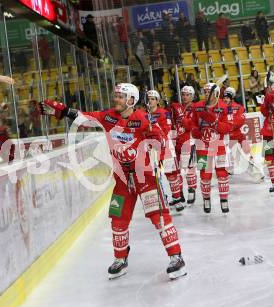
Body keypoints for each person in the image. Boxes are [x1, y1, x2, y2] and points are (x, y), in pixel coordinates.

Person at [40, 83, 187, 280]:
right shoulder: (108, 117)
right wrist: (63, 110)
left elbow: (160, 139)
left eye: (120, 96)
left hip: (145, 178)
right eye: (115, 95)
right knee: (118, 219)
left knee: (159, 218)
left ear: (131, 100)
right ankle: (120, 259)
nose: (115, 99)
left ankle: (177, 258)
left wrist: (157, 149)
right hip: (122, 180)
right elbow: (85, 118)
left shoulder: (143, 119)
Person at [182, 83, 232, 213]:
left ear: (216, 94)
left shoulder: (224, 107)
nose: (206, 95)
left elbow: (228, 127)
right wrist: (195, 131)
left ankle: (224, 199)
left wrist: (214, 122)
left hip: (219, 144)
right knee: (205, 174)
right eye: (205, 92)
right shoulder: (197, 106)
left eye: (209, 92)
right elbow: (192, 124)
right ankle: (206, 199)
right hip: (202, 144)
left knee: (222, 173)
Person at [167, 86, 198, 208]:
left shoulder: (196, 108)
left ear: (192, 96)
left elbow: (191, 125)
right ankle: (179, 194)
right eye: (183, 94)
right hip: (176, 142)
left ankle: (192, 190)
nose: (185, 96)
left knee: (190, 168)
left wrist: (182, 118)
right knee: (177, 169)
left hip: (189, 142)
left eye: (187, 94)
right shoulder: (176, 107)